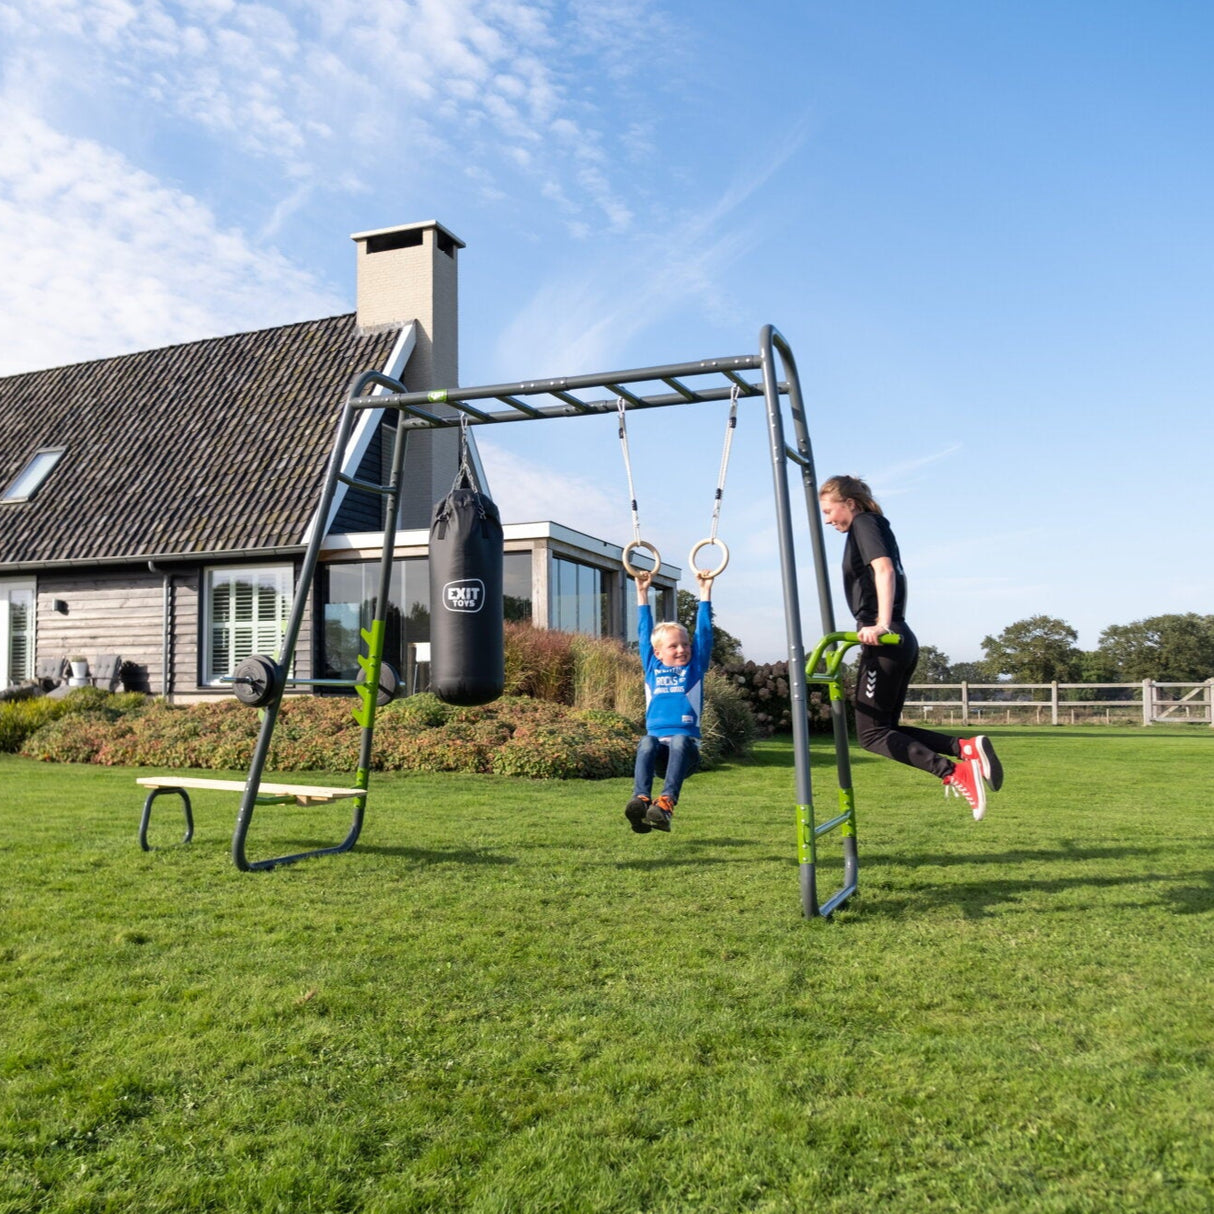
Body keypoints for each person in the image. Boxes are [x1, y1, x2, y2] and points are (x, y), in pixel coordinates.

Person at [819, 474, 1004, 819]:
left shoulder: (864, 523)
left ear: (850, 503)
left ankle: (954, 771)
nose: (827, 519)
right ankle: (965, 748)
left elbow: (884, 570)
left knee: (871, 735)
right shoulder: (875, 525)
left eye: (829, 511)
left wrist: (881, 623)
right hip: (899, 637)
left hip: (886, 639)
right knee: (884, 729)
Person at [624, 568, 714, 833]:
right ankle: (641, 800)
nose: (682, 649)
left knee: (679, 739)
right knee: (646, 741)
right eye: (673, 646)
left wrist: (705, 592)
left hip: (686, 754)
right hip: (659, 756)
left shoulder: (694, 668)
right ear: (657, 653)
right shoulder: (652, 666)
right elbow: (644, 632)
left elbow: (704, 634)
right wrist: (642, 593)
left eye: (685, 644)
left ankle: (665, 804)